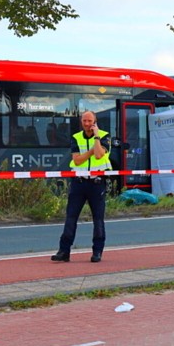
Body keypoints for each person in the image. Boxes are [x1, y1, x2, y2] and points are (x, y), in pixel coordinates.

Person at [52, 111, 111, 263]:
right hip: (79, 183)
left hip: (97, 183)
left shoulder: (104, 136)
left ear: (95, 121)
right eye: (84, 121)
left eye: (90, 121)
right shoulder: (76, 137)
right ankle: (63, 251)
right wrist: (92, 151)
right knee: (70, 218)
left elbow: (99, 155)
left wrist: (96, 137)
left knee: (98, 220)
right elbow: (77, 161)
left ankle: (97, 252)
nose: (86, 124)